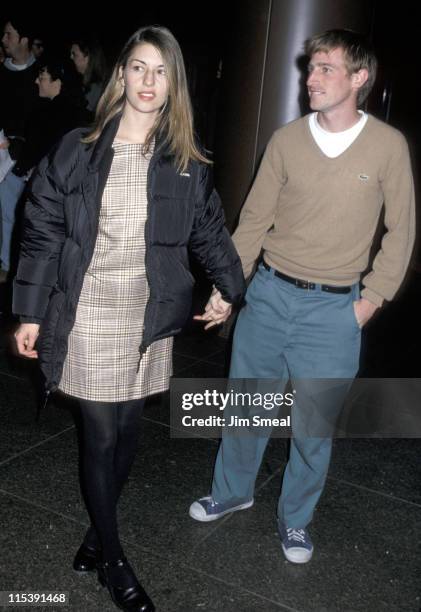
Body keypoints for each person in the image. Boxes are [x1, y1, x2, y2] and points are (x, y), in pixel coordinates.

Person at [13, 25, 244, 612]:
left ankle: (97, 531)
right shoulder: (78, 147)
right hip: (86, 304)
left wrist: (230, 287)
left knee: (130, 432)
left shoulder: (185, 160)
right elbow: (41, 228)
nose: (148, 81)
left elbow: (209, 228)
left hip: (148, 308)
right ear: (121, 76)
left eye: (160, 71)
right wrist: (30, 312)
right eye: (138, 67)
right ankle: (115, 560)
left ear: (174, 85)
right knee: (102, 431)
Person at [190, 29, 415, 564]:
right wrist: (228, 288)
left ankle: (296, 521)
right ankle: (233, 491)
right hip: (269, 295)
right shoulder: (287, 140)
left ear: (359, 78)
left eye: (325, 69)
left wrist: (369, 302)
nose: (310, 78)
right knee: (248, 408)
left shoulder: (388, 146)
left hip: (335, 309)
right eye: (310, 68)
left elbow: (402, 231)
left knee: (314, 428)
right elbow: (253, 222)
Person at [0, 16, 40, 274]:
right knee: (6, 215)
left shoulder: (41, 73)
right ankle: (6, 265)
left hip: (33, 159)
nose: (4, 41)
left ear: (23, 40)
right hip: (5, 155)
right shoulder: (2, 72)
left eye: (9, 35)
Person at [70, 37, 107, 114]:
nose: (71, 57)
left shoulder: (97, 87)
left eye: (74, 54)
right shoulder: (79, 81)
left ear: (87, 57)